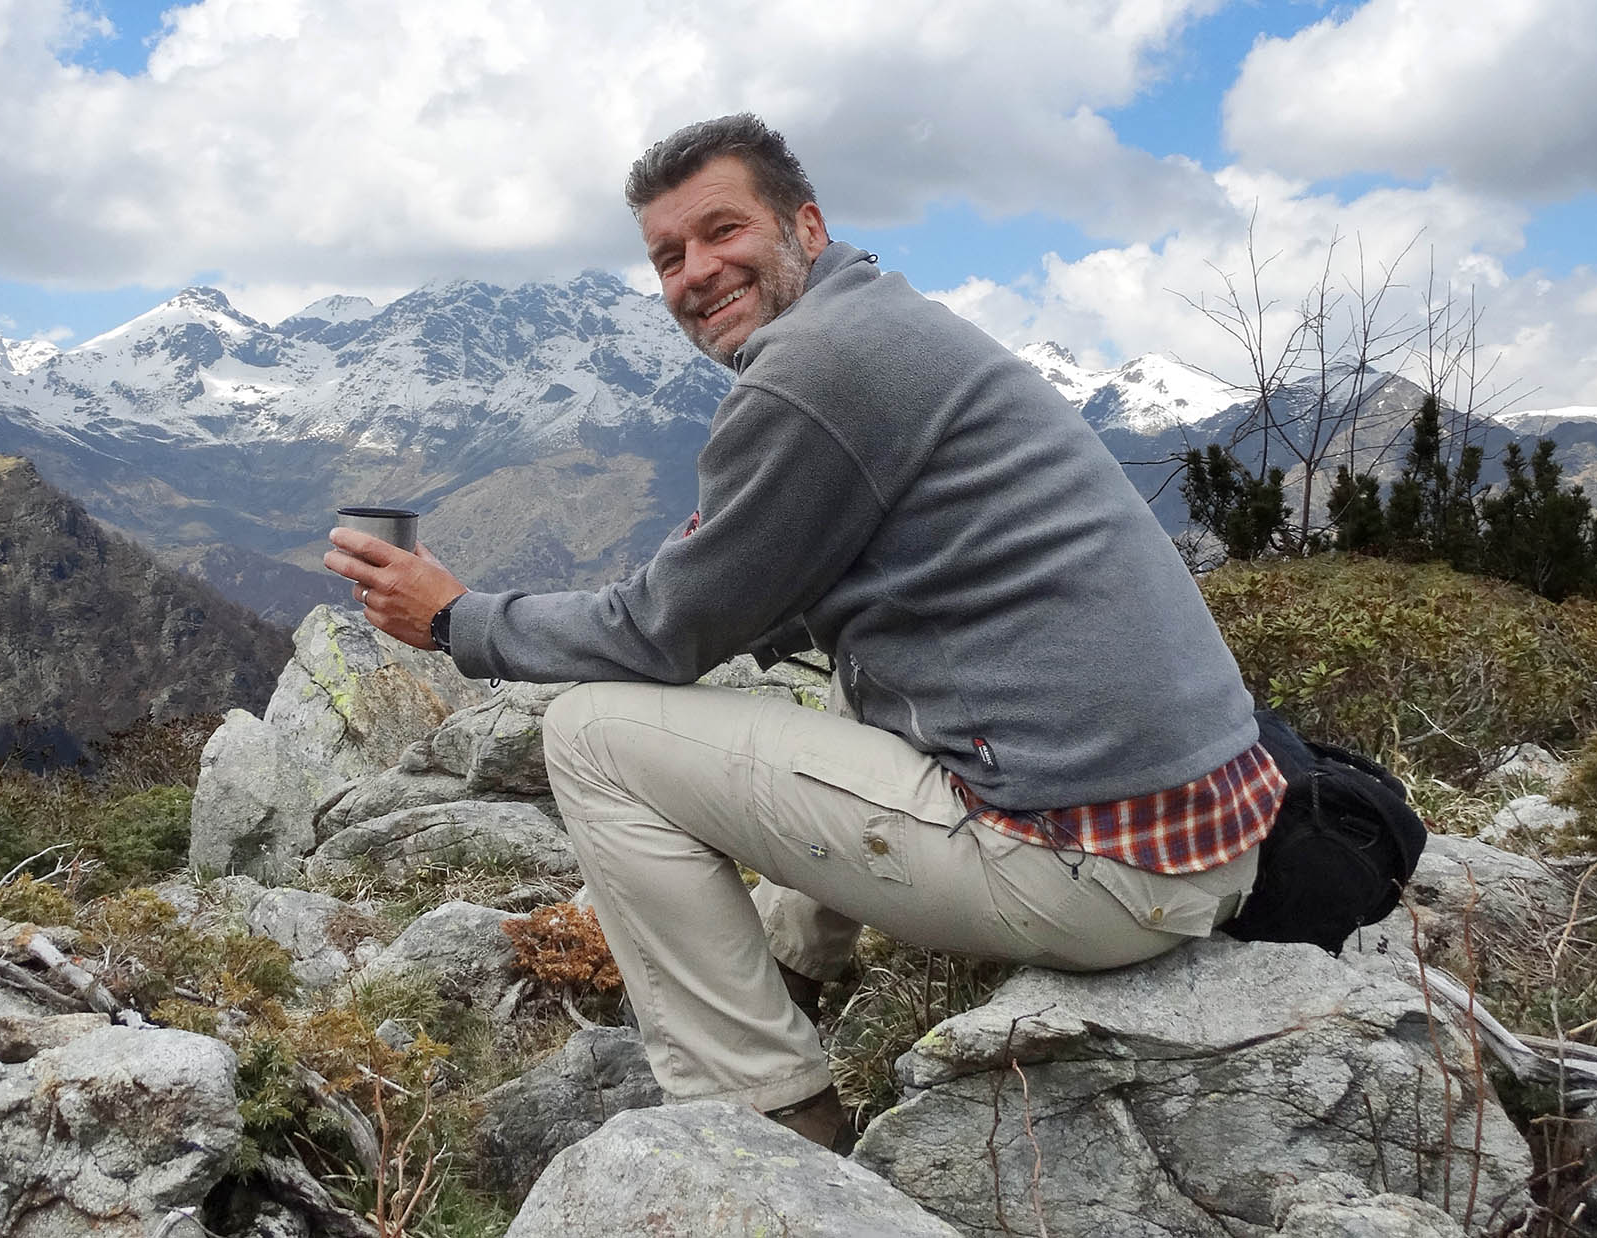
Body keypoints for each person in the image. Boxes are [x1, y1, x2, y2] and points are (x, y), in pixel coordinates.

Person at [324, 114, 1280, 1154]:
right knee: (855, 670)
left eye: (722, 230)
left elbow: (661, 631)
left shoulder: (813, 368)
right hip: (1209, 832)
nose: (696, 271)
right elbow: (759, 582)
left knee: (592, 735)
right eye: (669, 256)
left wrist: (456, 618)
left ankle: (767, 1116)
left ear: (806, 226)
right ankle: (791, 968)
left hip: (1093, 871)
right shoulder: (882, 323)